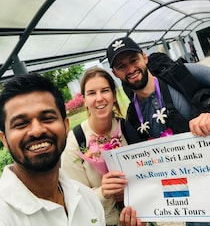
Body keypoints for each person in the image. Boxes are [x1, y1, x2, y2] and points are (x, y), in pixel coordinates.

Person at [0, 72, 142, 226]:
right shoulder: (5, 214)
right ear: (4, 139)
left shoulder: (85, 199)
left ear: (66, 126)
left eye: (47, 118)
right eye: (20, 124)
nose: (37, 131)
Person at [106, 36, 210, 226]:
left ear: (144, 58)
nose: (130, 69)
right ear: (115, 73)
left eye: (133, 60)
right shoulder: (132, 118)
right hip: (194, 203)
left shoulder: (181, 75)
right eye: (122, 67)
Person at [61, 67, 142, 226]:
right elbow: (72, 198)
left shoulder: (127, 128)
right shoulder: (75, 142)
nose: (99, 98)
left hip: (136, 218)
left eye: (105, 90)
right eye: (91, 93)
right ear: (84, 99)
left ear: (113, 95)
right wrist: (104, 192)